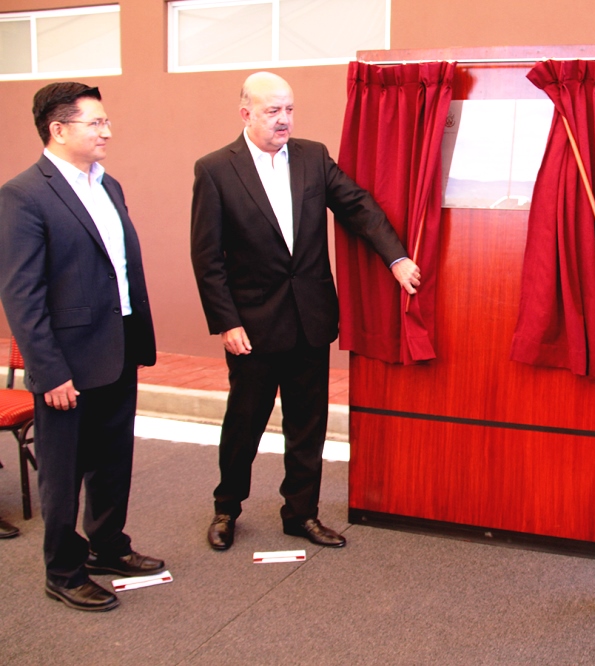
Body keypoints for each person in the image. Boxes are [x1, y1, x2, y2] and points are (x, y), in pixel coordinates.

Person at [191, 72, 420, 551]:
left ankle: (301, 514)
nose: (284, 120)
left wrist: (395, 258)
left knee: (307, 426)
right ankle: (226, 507)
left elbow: (357, 206)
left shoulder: (313, 157)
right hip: (252, 327)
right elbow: (207, 257)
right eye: (273, 111)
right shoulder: (215, 169)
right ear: (246, 113)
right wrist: (227, 321)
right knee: (244, 424)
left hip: (310, 319)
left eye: (289, 110)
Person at [0, 82, 164, 612]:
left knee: (114, 460)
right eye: (95, 123)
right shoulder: (24, 195)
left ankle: (107, 547)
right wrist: (49, 371)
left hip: (117, 347)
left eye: (106, 121)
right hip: (66, 363)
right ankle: (63, 571)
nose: (107, 131)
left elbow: (117, 268)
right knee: (63, 474)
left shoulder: (108, 185)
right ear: (58, 129)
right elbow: (22, 295)